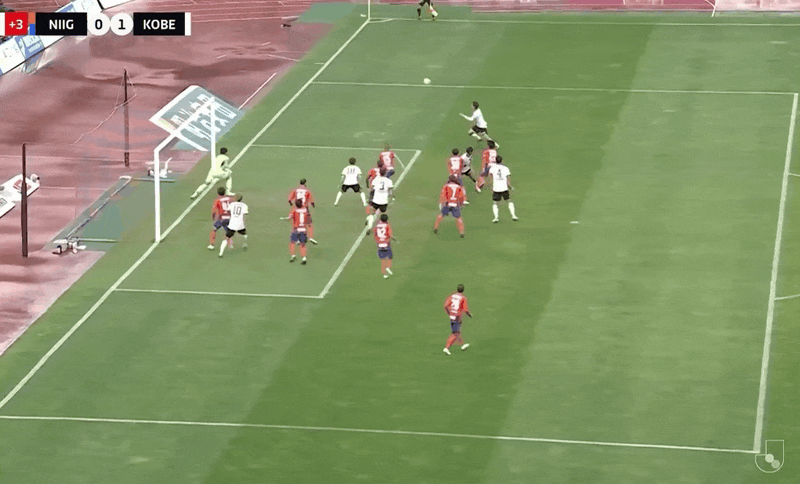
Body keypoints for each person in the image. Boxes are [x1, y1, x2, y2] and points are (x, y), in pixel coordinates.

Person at [443, 284, 472, 355]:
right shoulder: (463, 298)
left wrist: (449, 313)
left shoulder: (452, 296)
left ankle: (463, 345)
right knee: (455, 333)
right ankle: (447, 348)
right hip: (457, 317)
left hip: (452, 316)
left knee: (456, 331)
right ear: (463, 290)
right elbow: (465, 310)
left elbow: (446, 305)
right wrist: (469, 315)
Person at [488, 156, 518, 222]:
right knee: (509, 201)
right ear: (501, 161)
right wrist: (509, 186)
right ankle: (513, 215)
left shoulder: (492, 168)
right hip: (504, 187)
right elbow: (508, 177)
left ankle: (496, 218)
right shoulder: (505, 168)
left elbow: (490, 176)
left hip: (496, 188)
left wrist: (492, 185)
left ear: (495, 161)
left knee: (495, 203)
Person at [288, 179, 317, 244]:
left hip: (297, 209)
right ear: (305, 183)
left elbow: (289, 199)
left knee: (297, 224)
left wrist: (291, 203)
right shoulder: (307, 191)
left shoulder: (295, 190)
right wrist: (313, 205)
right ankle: (310, 237)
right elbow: (311, 201)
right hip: (305, 209)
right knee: (308, 223)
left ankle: (298, 239)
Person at [283, 199, 311, 264]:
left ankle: (293, 256)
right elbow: (308, 220)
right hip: (303, 229)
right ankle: (304, 258)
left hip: (296, 229)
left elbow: (289, 218)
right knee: (302, 244)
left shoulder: (294, 210)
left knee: (292, 242)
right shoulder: (305, 210)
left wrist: (285, 219)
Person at [366, 167, 393, 232]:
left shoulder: (375, 180)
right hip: (384, 201)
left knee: (372, 213)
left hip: (376, 200)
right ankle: (382, 229)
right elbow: (390, 191)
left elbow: (372, 189)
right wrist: (390, 196)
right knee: (383, 215)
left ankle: (369, 227)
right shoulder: (388, 181)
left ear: (379, 172)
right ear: (385, 173)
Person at [374, 213, 396, 279]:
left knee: (383, 259)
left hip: (379, 244)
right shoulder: (387, 225)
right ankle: (388, 267)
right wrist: (394, 238)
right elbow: (390, 235)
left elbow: (375, 234)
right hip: (386, 243)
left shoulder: (377, 226)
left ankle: (385, 274)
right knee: (390, 257)